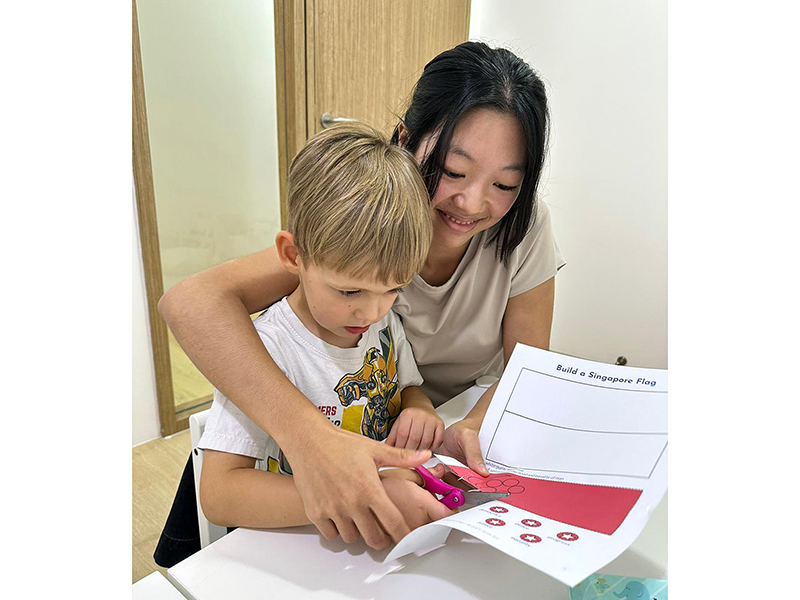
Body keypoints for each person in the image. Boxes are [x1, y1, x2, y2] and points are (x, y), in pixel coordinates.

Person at [158, 41, 565, 549]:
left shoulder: (514, 234)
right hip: (300, 469)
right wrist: (315, 444)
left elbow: (525, 366)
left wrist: (467, 422)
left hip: (403, 452)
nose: (472, 202)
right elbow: (192, 302)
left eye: (505, 185)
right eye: (453, 172)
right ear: (406, 142)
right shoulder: (360, 230)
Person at [198, 122, 453, 530]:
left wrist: (418, 409)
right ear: (292, 255)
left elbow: (407, 387)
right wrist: (357, 497)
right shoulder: (266, 349)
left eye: (393, 289)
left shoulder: (383, 321)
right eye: (349, 291)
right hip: (299, 540)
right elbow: (219, 494)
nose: (370, 313)